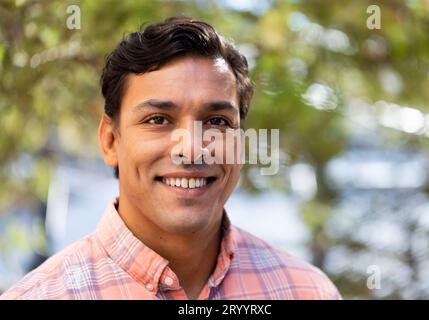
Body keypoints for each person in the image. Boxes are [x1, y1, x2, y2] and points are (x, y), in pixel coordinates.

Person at [1, 17, 341, 300]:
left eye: (217, 121)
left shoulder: (306, 290)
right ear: (109, 141)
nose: (191, 148)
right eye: (158, 120)